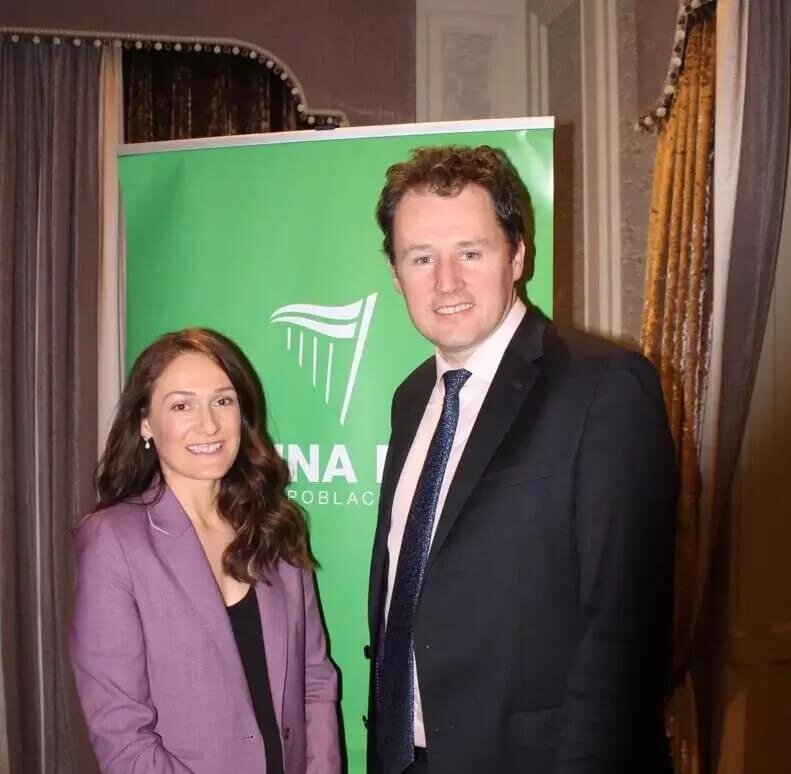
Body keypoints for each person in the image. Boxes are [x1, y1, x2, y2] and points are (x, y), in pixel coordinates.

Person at [366, 146, 677, 774]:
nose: (445, 281)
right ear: (397, 274)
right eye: (421, 257)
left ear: (517, 256)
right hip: (407, 755)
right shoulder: (410, 400)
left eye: (471, 252)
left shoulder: (604, 387)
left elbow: (625, 633)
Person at [70, 328, 340, 774]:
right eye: (181, 405)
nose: (209, 424)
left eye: (223, 400)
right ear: (144, 422)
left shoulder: (276, 525)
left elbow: (315, 680)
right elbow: (122, 736)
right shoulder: (112, 541)